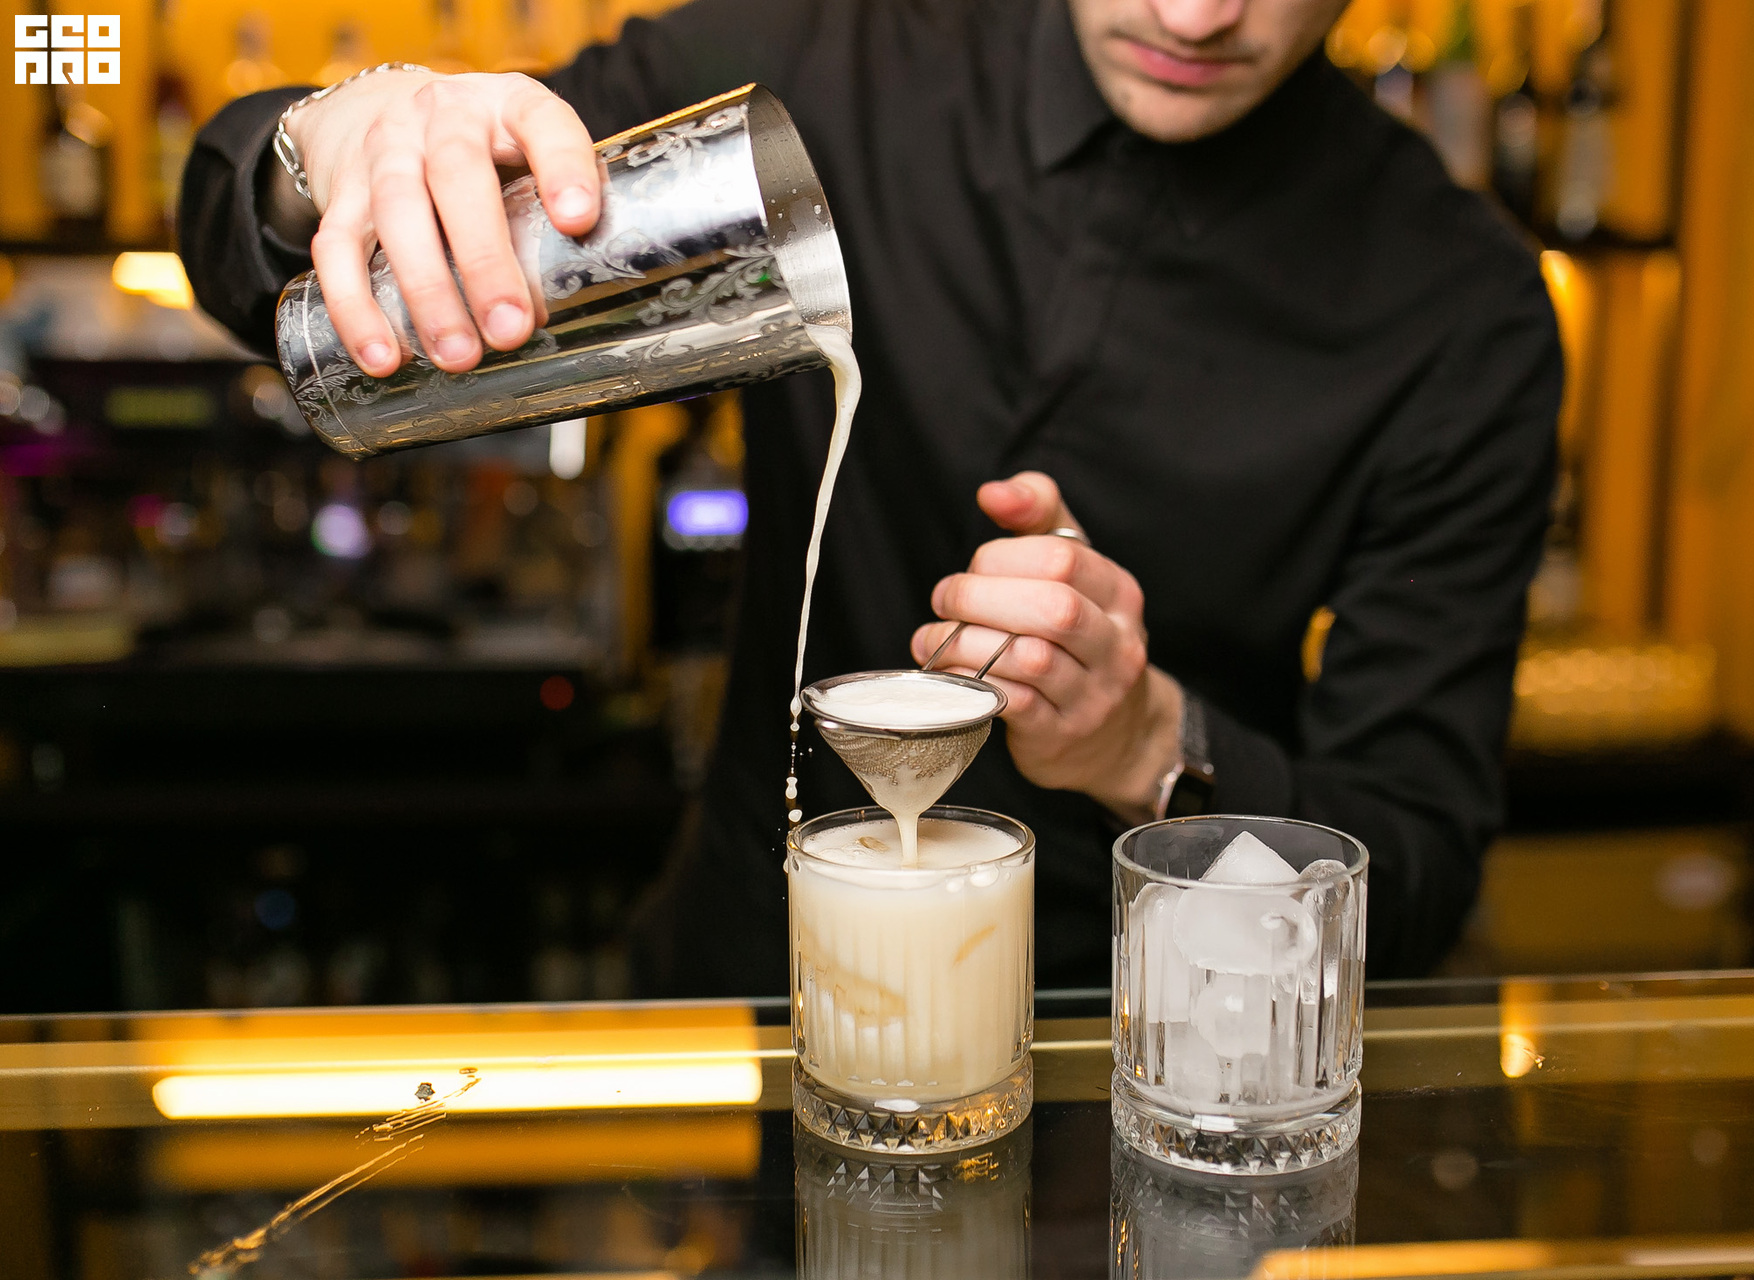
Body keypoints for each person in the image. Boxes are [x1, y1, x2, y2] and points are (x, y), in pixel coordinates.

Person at [179, 0, 1561, 991]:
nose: (1196, 16)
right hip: (750, 1004)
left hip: (1137, 1061)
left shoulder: (1458, 307)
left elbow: (1415, 874)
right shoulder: (830, 53)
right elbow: (265, 273)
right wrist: (331, 149)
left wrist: (1152, 741)